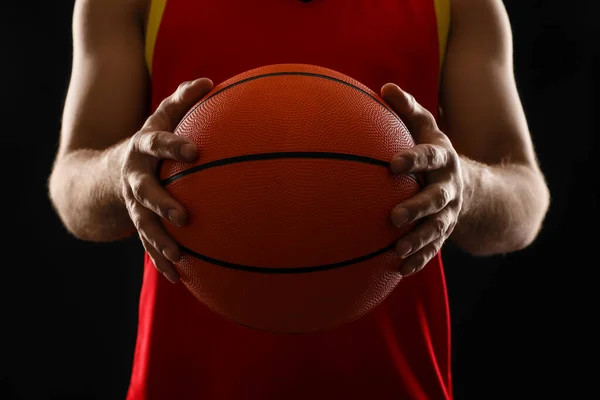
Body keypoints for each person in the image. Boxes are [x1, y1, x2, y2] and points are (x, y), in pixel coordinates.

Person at [48, 0, 550, 398]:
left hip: (393, 384)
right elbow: (73, 187)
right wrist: (122, 170)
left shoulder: (459, 3)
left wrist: (466, 185)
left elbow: (525, 201)